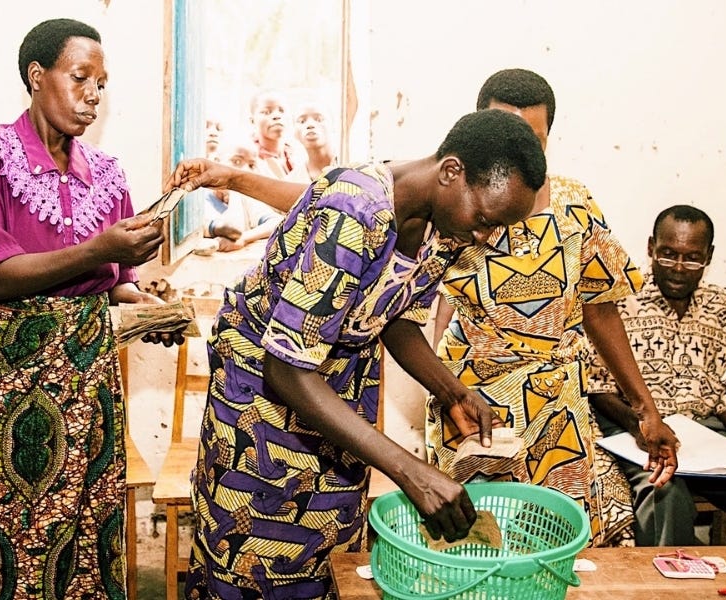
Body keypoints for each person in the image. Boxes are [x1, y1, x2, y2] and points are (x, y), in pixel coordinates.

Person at [169, 108, 547, 598]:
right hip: (261, 401)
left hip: (337, 396)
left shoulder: (444, 225)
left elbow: (395, 317)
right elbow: (286, 369)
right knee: (251, 554)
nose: (484, 237)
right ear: (451, 172)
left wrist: (452, 390)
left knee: (330, 556)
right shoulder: (354, 213)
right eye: (484, 221)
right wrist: (411, 471)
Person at [0, 18, 176, 600]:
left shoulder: (108, 174)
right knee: (9, 528)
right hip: (6, 381)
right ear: (36, 75)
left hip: (87, 378)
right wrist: (100, 249)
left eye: (102, 83)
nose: (94, 94)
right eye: (81, 77)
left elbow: (112, 280)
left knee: (87, 524)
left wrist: (147, 302)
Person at [428, 68, 678, 547]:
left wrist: (646, 410)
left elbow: (600, 310)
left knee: (559, 545)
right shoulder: (450, 204)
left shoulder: (573, 205)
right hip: (474, 406)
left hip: (556, 406)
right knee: (479, 545)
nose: (516, 153)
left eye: (533, 140)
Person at [588, 205, 726, 545]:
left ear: (709, 256)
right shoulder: (618, 302)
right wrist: (642, 427)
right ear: (650, 248)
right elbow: (598, 389)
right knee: (664, 496)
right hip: (636, 432)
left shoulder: (720, 304)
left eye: (692, 258)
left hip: (706, 440)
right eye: (667, 255)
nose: (678, 268)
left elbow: (724, 393)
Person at [202, 141, 282, 253]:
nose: (245, 170)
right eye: (237, 161)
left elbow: (276, 222)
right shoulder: (199, 197)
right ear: (215, 162)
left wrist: (244, 238)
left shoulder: (245, 197)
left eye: (251, 165)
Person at [248, 89, 295, 179]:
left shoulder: (298, 155)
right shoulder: (249, 158)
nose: (276, 116)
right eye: (266, 112)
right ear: (252, 120)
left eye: (281, 111)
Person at [287, 101, 338, 182]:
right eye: (302, 121)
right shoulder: (291, 181)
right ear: (294, 133)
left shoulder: (353, 167)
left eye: (319, 119)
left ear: (333, 126)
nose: (310, 124)